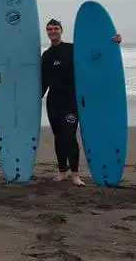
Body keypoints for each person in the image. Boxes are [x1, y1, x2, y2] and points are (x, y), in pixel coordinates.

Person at [40, 18, 122, 186]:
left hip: (71, 100)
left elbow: (94, 55)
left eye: (55, 28)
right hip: (53, 101)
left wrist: (112, 43)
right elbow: (43, 81)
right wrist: (34, 98)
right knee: (58, 136)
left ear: (61, 30)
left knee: (69, 135)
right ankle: (62, 171)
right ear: (47, 32)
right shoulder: (47, 55)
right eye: (50, 29)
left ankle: (75, 174)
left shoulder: (72, 49)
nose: (53, 31)